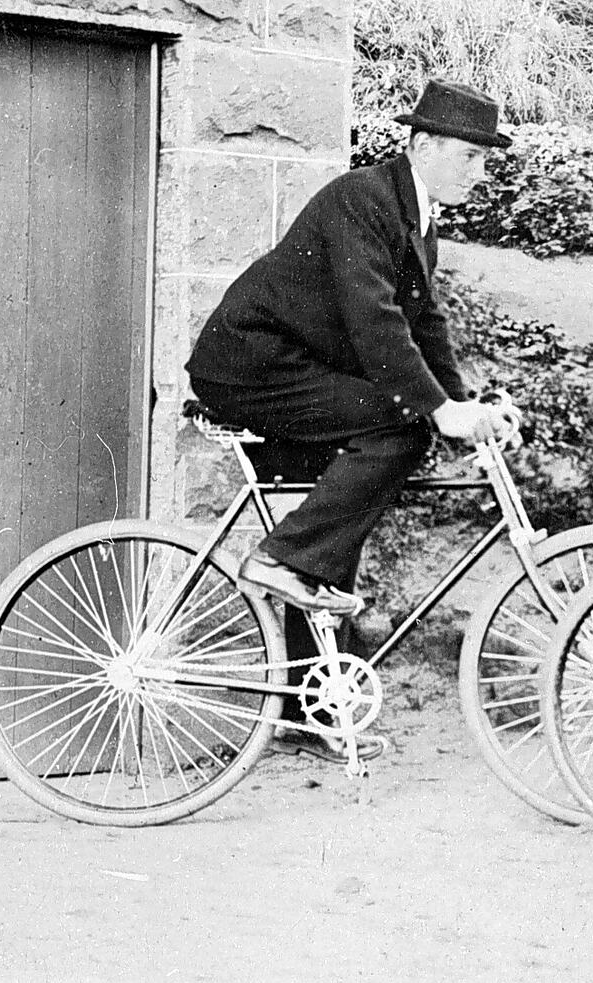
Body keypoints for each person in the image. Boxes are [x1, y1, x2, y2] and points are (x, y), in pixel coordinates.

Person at [186, 79, 518, 760]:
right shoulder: (363, 199)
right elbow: (375, 322)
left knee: (339, 522)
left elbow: (425, 324)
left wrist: (461, 404)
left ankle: (306, 712)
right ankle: (279, 558)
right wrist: (438, 412)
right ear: (422, 145)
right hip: (251, 365)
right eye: (470, 156)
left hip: (291, 366)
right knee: (400, 427)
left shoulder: (416, 218)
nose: (480, 173)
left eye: (486, 159)